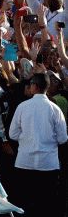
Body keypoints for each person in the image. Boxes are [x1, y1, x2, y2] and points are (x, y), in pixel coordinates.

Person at [9, 73, 68, 217]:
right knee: (46, 207)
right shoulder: (55, 109)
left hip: (24, 163)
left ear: (34, 86)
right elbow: (63, 138)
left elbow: (12, 134)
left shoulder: (22, 107)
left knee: (23, 205)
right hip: (48, 164)